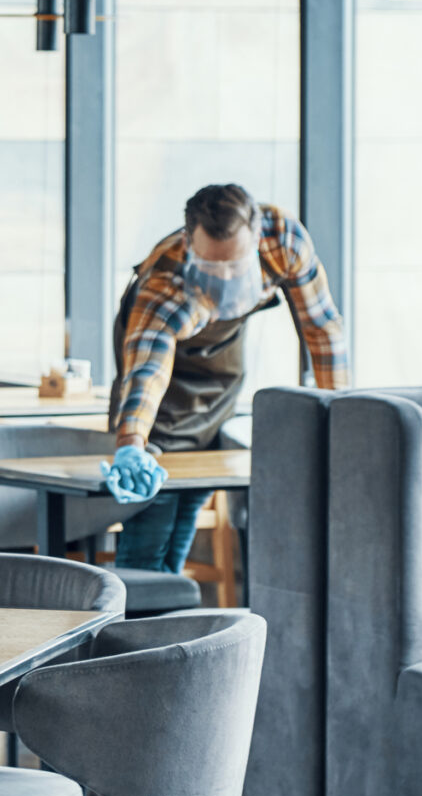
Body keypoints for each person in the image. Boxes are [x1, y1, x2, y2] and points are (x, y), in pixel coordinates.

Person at [106, 182, 349, 574]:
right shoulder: (163, 283)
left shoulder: (284, 240)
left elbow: (322, 330)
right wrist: (132, 442)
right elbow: (145, 372)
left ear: (256, 237)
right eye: (212, 268)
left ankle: (170, 607)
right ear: (189, 243)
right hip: (164, 385)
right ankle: (138, 610)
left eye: (236, 267)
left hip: (220, 372)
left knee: (194, 491)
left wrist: (340, 414)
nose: (226, 280)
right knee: (156, 502)